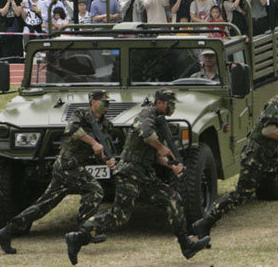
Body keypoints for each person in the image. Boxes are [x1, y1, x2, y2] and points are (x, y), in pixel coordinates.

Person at [65, 89, 211, 264]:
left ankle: (186, 245)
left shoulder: (159, 120)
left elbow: (155, 156)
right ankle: (78, 237)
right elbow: (146, 134)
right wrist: (161, 147)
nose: (172, 107)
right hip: (130, 172)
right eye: (170, 103)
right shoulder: (146, 114)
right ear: (159, 103)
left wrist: (172, 165)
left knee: (172, 198)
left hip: (145, 173)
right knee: (119, 216)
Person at [192, 78, 278, 239]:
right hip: (255, 156)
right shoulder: (276, 104)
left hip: (270, 156)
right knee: (240, 195)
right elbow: (268, 131)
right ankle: (204, 223)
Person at [0, 90, 117, 254]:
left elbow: (101, 150)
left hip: (74, 166)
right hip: (67, 165)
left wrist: (106, 159)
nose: (107, 106)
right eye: (104, 102)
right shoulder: (80, 114)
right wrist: (93, 143)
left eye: (108, 103)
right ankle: (86, 230)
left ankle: (6, 232)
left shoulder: (105, 125)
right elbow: (72, 129)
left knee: (43, 205)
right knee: (95, 190)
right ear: (93, 101)